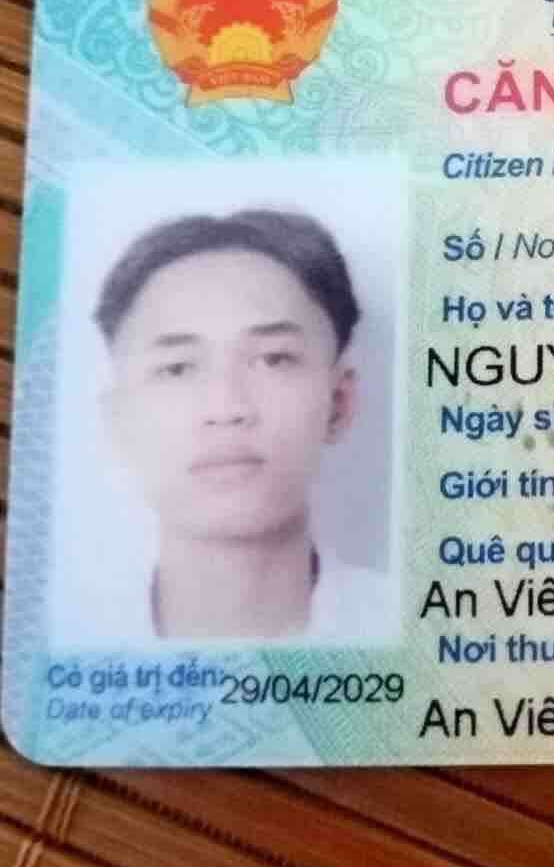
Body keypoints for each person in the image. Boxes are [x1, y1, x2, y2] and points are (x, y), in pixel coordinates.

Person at [93, 207, 389, 642]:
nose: (226, 407)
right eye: (177, 368)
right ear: (119, 420)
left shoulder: (416, 628)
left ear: (339, 404)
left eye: (274, 359)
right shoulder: (79, 630)